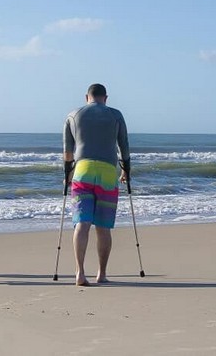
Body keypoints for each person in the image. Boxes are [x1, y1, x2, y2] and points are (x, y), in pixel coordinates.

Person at [63, 83, 130, 286]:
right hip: (108, 173)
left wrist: (67, 173)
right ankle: (101, 273)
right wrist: (126, 171)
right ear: (105, 98)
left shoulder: (73, 115)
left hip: (82, 170)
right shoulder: (116, 115)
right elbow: (124, 147)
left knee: (82, 223)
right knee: (103, 227)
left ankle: (80, 273)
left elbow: (68, 152)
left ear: (87, 97)